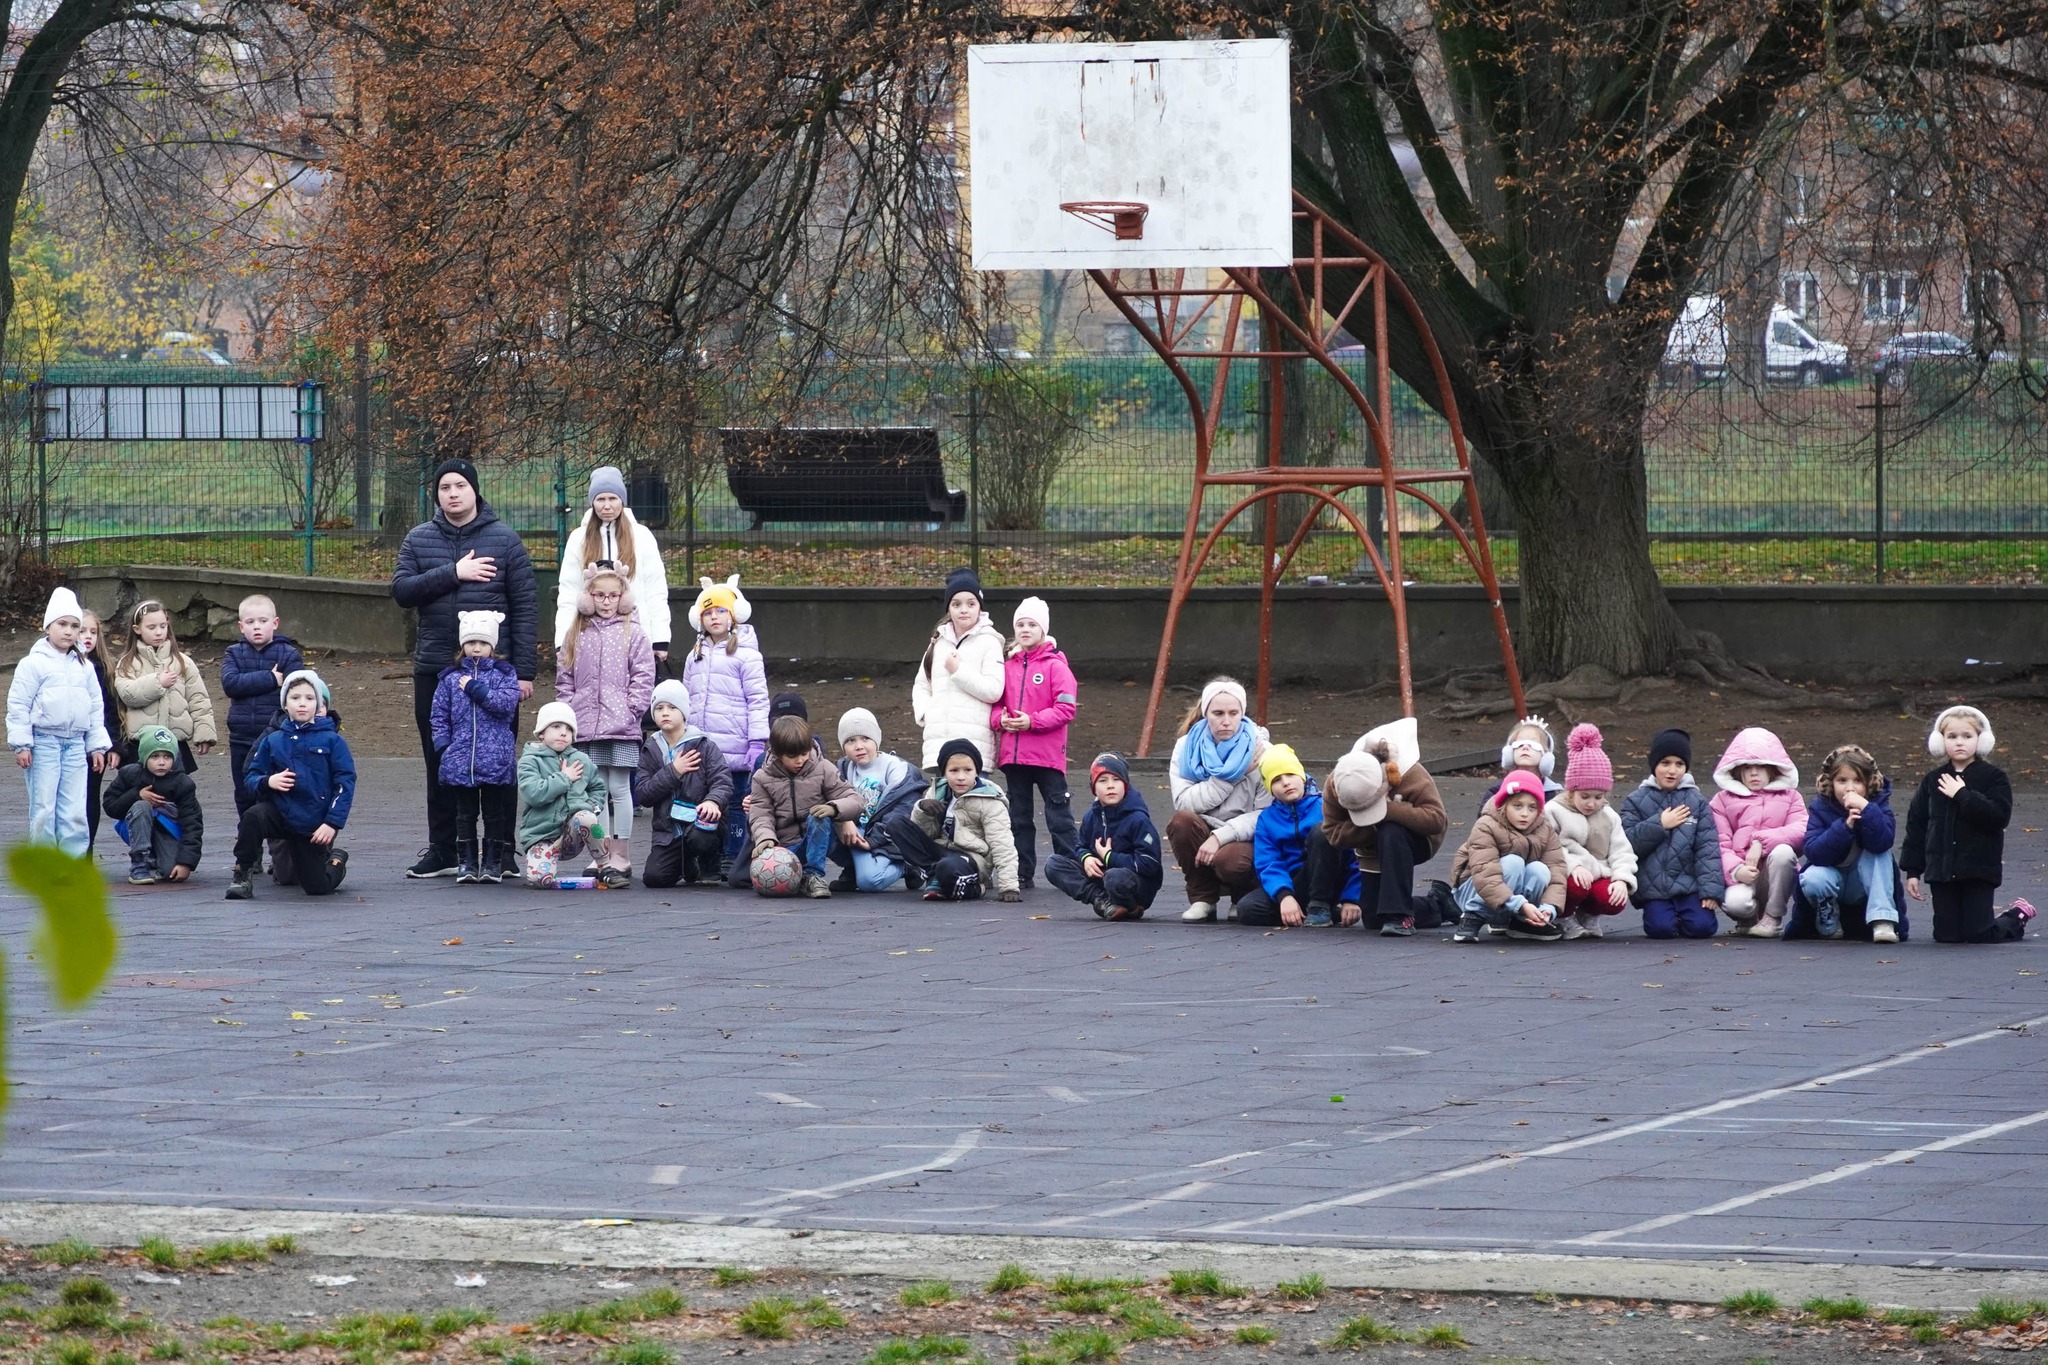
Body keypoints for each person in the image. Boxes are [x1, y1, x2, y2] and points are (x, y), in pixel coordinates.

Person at [393, 456, 538, 879]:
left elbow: (525, 608)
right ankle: (444, 850)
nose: (452, 493)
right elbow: (402, 591)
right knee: (439, 759)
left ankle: (502, 851)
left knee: (499, 761)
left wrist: (525, 672)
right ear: (436, 494)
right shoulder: (418, 539)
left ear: (475, 490)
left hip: (497, 676)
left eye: (460, 486)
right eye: (444, 487)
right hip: (437, 671)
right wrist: (453, 572)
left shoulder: (506, 541)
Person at [556, 565, 656, 886]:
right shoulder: (576, 634)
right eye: (599, 595)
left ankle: (622, 855)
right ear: (589, 597)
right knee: (595, 794)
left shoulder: (634, 632)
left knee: (619, 789)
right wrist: (570, 712)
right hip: (587, 726)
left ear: (623, 598)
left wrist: (632, 710)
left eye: (613, 595)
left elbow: (643, 676)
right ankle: (602, 854)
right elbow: (565, 677)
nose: (606, 601)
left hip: (622, 725)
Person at [1903, 705, 2034, 944]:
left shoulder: (1993, 777)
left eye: (1967, 736)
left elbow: (1998, 816)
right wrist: (1913, 871)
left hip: (1978, 869)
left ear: (1981, 740)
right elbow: (1917, 825)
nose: (1959, 742)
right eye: (1952, 737)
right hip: (1942, 870)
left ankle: (2016, 916)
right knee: (1946, 936)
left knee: (1979, 934)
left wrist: (1963, 794)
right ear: (1940, 741)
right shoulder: (1933, 779)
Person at [226, 670, 354, 900]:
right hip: (280, 811)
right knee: (253, 817)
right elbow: (251, 777)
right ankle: (242, 874)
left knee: (316, 887)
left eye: (309, 698)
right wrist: (268, 781)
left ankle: (336, 859)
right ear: (285, 704)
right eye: (295, 698)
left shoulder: (333, 741)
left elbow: (345, 783)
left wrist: (331, 823)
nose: (302, 704)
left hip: (311, 820)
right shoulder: (273, 740)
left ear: (318, 704)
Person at [9, 588, 114, 855]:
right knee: (44, 807)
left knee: (74, 809)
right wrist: (22, 743)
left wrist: (97, 745)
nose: (69, 631)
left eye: (75, 626)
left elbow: (94, 707)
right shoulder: (32, 664)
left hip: (75, 745)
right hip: (44, 742)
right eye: (62, 624)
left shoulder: (85, 667)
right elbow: (19, 704)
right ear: (48, 626)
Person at [1321, 717, 1448, 935]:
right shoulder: (1339, 781)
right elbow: (1332, 832)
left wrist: (1390, 811)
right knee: (1373, 918)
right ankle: (1439, 905)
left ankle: (1400, 916)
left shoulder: (1410, 773)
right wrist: (1369, 826)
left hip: (1416, 839)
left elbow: (1437, 820)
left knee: (1391, 831)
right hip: (1369, 846)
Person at [680, 575, 767, 882]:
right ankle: (709, 857)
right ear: (699, 619)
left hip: (738, 746)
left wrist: (757, 741)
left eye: (720, 610)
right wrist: (686, 738)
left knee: (736, 803)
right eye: (707, 612)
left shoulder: (747, 655)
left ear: (734, 615)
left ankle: (734, 854)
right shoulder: (695, 656)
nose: (714, 616)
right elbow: (687, 698)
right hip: (704, 747)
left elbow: (758, 700)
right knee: (705, 801)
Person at [1166, 677, 1270, 922]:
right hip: (1202, 826)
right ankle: (1203, 899)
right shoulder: (1186, 747)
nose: (1226, 721)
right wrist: (1230, 778)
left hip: (1242, 834)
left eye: (1233, 713)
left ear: (1242, 713)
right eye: (1218, 713)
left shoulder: (1261, 749)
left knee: (1230, 860)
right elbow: (1184, 802)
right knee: (1181, 822)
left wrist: (1220, 836)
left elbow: (1265, 814)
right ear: (1205, 714)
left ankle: (1241, 896)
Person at [992, 596, 1079, 890]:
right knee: (1018, 817)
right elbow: (994, 704)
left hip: (1047, 756)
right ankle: (1021, 870)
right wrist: (999, 720)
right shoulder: (1006, 667)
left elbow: (1066, 708)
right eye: (1020, 624)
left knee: (1058, 814)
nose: (1025, 629)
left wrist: (1033, 721)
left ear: (1043, 630)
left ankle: (1070, 867)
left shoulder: (1056, 667)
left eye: (1032, 624)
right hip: (1014, 756)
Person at [429, 610, 522, 883]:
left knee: (494, 812)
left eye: (482, 643)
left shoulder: (505, 674)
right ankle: (466, 862)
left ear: (492, 645)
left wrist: (474, 688)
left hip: (494, 757)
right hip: (461, 758)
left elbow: (505, 705)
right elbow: (438, 715)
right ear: (463, 646)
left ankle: (493, 862)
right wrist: (444, 746)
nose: (476, 648)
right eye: (471, 643)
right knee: (464, 813)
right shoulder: (449, 679)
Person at [218, 595, 305, 881]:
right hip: (242, 737)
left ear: (275, 623)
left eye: (263, 621)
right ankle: (249, 852)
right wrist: (269, 679)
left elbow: (293, 692)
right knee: (245, 794)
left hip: (276, 738)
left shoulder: (289, 654)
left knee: (278, 792)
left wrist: (256, 683)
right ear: (240, 626)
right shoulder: (233, 653)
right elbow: (231, 685)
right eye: (251, 622)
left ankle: (280, 854)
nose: (257, 627)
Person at [553, 465, 672, 665]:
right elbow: (568, 592)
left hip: (635, 634)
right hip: (590, 635)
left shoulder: (641, 536)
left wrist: (660, 639)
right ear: (592, 502)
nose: (607, 506)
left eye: (612, 498)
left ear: (622, 500)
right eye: (600, 499)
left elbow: (656, 589)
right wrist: (563, 641)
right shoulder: (578, 538)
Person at [1788, 744, 1907, 943]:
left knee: (1881, 854)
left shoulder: (1878, 805)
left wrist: (1867, 811)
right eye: (1842, 780)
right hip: (1833, 878)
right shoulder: (1821, 807)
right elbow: (1814, 851)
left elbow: (1883, 842)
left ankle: (1882, 918)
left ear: (1869, 784)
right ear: (1831, 783)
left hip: (1861, 882)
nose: (1850, 788)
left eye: (1858, 781)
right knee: (1811, 877)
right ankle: (1828, 917)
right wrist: (1844, 827)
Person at [1237, 744, 1359, 928]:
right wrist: (1285, 896)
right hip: (1297, 882)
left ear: (1301, 776)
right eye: (1277, 780)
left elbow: (1355, 855)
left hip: (1332, 879)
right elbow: (1268, 862)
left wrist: (1352, 897)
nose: (1286, 782)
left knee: (1322, 832)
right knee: (1248, 909)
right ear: (1270, 788)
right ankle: (1307, 911)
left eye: (1291, 775)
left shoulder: (1326, 806)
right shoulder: (1266, 819)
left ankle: (1320, 906)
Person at [885, 737, 1021, 902]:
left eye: (967, 770)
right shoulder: (938, 791)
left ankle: (976, 888)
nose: (961, 777)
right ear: (944, 772)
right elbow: (925, 833)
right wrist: (922, 810)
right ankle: (933, 875)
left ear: (976, 771)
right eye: (954, 771)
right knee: (895, 823)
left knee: (947, 869)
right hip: (940, 851)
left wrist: (1009, 886)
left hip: (971, 859)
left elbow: (1002, 844)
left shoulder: (990, 800)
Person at [1620, 728, 1725, 939]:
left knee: (1702, 928)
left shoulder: (1696, 802)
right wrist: (1659, 824)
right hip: (1654, 887)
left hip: (1689, 886)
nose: (1672, 770)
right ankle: (1665, 915)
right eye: (1665, 763)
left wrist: (1710, 891)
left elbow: (1707, 848)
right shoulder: (1636, 800)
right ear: (1654, 766)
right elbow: (1626, 843)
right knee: (1661, 929)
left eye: (1679, 764)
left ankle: (1685, 916)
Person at [746, 714, 864, 899]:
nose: (800, 760)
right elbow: (761, 813)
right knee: (748, 877)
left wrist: (834, 808)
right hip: (787, 848)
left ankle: (814, 876)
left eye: (804, 753)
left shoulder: (824, 768)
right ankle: (798, 877)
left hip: (822, 839)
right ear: (777, 753)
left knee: (819, 817)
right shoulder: (762, 778)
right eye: (792, 756)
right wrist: (765, 839)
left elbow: (854, 799)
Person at [1541, 723, 1637, 939]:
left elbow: (1622, 850)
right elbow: (1549, 846)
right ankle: (1563, 916)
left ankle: (1588, 914)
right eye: (1585, 796)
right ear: (1571, 790)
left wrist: (1622, 878)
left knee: (1614, 898)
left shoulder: (1608, 816)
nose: (1592, 803)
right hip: (1566, 872)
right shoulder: (1554, 810)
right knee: (1577, 885)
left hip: (1599, 871)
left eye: (1598, 796)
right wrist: (1573, 866)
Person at [634, 679, 732, 889]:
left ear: (684, 712)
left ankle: (709, 862)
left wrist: (713, 802)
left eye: (672, 707)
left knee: (702, 837)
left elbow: (722, 781)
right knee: (654, 878)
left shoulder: (704, 745)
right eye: (659, 708)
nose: (665, 713)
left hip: (700, 824)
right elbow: (643, 794)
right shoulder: (650, 749)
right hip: (668, 832)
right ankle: (687, 863)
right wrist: (673, 771)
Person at [1708, 726, 1805, 937]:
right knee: (1736, 903)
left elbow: (1801, 830)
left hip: (1774, 872)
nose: (1753, 772)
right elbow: (1718, 844)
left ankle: (1772, 917)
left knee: (1783, 852)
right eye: (1747, 767)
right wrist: (1735, 870)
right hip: (1744, 871)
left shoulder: (1791, 797)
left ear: (1772, 768)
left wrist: (1761, 841)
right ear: (1736, 769)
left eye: (1760, 766)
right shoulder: (1722, 801)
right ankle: (1748, 919)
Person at [1450, 769, 1567, 942]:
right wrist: (1520, 904)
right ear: (1503, 804)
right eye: (1517, 806)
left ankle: (1522, 922)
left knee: (1540, 870)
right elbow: (1485, 873)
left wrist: (1549, 907)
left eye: (1532, 807)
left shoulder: (1545, 829)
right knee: (1513, 862)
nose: (1525, 813)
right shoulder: (1486, 825)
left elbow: (1557, 871)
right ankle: (1472, 916)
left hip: (1513, 899)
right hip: (1473, 889)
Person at [1044, 752, 1162, 920]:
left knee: (1114, 877)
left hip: (1134, 882)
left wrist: (1109, 857)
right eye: (1103, 781)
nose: (1110, 786)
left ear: (1125, 784)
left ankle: (1131, 906)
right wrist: (1086, 859)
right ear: (1094, 788)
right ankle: (1102, 900)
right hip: (1103, 878)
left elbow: (1150, 864)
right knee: (1054, 864)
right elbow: (1081, 847)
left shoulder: (1138, 820)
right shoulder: (1091, 817)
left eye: (1116, 780)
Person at [911, 567, 1005, 771]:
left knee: (974, 802)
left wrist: (958, 671)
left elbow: (994, 690)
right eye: (956, 604)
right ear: (948, 609)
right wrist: (926, 713)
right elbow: (922, 683)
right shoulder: (938, 641)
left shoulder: (989, 642)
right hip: (938, 745)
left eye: (971, 604)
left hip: (974, 745)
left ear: (980, 607)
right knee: (939, 802)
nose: (964, 609)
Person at [112, 598, 217, 771]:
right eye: (151, 628)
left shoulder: (183, 662)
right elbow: (128, 694)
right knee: (140, 791)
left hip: (174, 742)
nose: (159, 632)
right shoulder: (127, 663)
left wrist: (204, 734)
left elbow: (198, 699)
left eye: (163, 626)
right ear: (137, 629)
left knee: (176, 790)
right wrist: (157, 682)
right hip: (139, 744)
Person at [830, 707, 923, 892]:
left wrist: (873, 840)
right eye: (850, 741)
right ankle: (851, 869)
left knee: (870, 882)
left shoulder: (898, 771)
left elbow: (902, 813)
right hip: (856, 832)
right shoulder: (842, 769)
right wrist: (844, 819)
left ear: (877, 739)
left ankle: (906, 866)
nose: (859, 746)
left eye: (865, 738)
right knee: (822, 824)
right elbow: (831, 796)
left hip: (886, 838)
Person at [516, 700, 608, 887]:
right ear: (541, 733)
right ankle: (544, 861)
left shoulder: (581, 760)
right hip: (541, 835)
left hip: (572, 834)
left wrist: (591, 807)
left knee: (587, 818)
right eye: (556, 726)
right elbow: (533, 794)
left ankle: (606, 866)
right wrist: (564, 778)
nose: (563, 732)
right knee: (539, 880)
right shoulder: (529, 761)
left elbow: (597, 787)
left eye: (568, 729)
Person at [103, 725, 203, 884]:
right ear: (144, 756)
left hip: (167, 830)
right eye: (155, 756)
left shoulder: (183, 783)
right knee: (141, 806)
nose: (161, 762)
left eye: (167, 757)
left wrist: (186, 863)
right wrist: (137, 795)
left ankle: (155, 857)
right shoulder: (129, 774)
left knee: (170, 872)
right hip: (135, 825)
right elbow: (110, 805)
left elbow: (193, 824)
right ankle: (139, 862)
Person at [76, 610, 119, 853]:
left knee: (91, 796)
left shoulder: (104, 669)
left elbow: (109, 711)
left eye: (93, 631)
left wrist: (111, 745)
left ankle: (87, 851)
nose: (87, 636)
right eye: (82, 630)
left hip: (94, 746)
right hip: (67, 740)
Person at [1481, 715, 1561, 807]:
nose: (1525, 747)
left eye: (1533, 744)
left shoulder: (1555, 796)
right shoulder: (1496, 793)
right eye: (1520, 744)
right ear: (1510, 753)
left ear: (1546, 756)